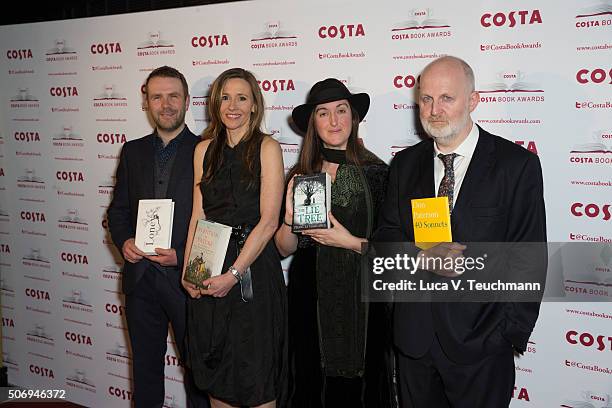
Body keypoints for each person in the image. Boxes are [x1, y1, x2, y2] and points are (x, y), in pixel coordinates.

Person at [374, 56, 547, 407]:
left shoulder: (515, 166)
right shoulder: (405, 164)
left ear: (472, 101)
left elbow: (528, 256)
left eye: (447, 98)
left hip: (481, 346)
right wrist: (422, 258)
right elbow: (385, 238)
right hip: (414, 343)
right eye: (426, 99)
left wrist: (504, 334)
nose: (434, 109)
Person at [274, 78, 395, 408]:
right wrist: (287, 218)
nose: (334, 121)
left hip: (363, 303)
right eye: (323, 113)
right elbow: (284, 248)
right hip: (308, 301)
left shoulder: (379, 173)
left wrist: (350, 241)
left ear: (353, 117)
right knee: (311, 384)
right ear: (313, 122)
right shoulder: (302, 174)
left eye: (341, 111)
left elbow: (392, 250)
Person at [181, 68, 287, 408]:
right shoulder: (203, 150)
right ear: (215, 103)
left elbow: (269, 222)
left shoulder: (267, 147)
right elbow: (198, 215)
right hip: (210, 265)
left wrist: (235, 274)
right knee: (219, 379)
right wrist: (189, 271)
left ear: (255, 105)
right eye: (225, 97)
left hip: (251, 270)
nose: (233, 105)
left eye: (242, 97)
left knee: (256, 381)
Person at [107, 66, 208, 407]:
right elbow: (117, 211)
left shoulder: (207, 150)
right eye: (157, 96)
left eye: (173, 96)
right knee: (146, 374)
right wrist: (124, 242)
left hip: (188, 281)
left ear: (187, 101)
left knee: (199, 375)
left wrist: (182, 254)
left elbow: (217, 220)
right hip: (140, 281)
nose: (165, 104)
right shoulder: (132, 152)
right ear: (146, 101)